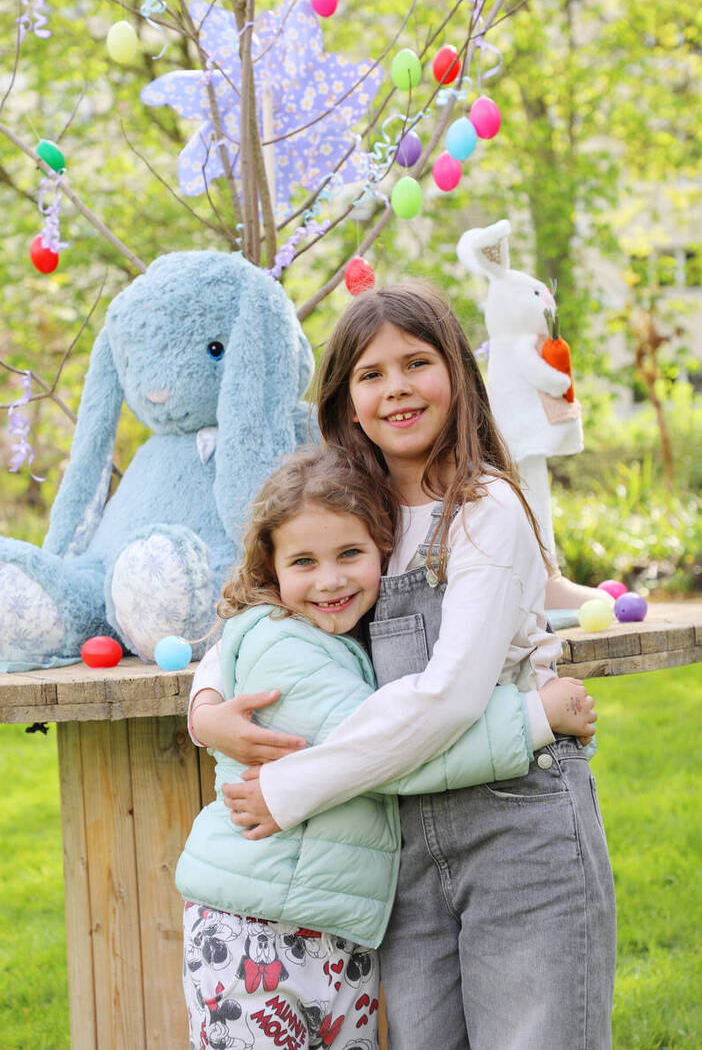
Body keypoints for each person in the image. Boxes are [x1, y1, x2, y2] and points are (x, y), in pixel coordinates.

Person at [191, 282, 615, 1049]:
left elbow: (448, 696)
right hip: (405, 846)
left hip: (519, 832)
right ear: (347, 402)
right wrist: (207, 703)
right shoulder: (358, 513)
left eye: (416, 362)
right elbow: (254, 611)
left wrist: (291, 785)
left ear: (455, 372)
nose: (396, 387)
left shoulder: (486, 511)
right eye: (372, 373)